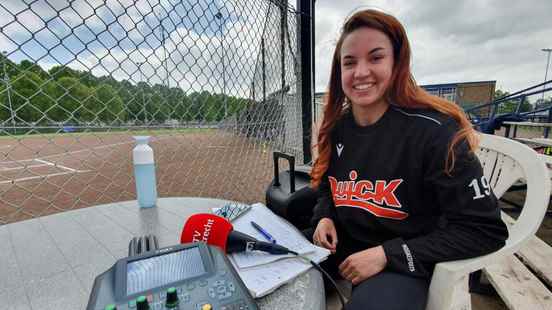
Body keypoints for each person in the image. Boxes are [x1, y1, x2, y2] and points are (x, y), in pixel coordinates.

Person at [308, 9, 508, 310]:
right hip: (346, 243)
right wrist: (324, 216)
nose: (360, 72)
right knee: (272, 261)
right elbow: (327, 186)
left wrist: (388, 254)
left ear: (396, 63)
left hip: (404, 258)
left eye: (375, 58)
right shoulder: (337, 128)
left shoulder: (436, 132)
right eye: (349, 62)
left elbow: (485, 230)